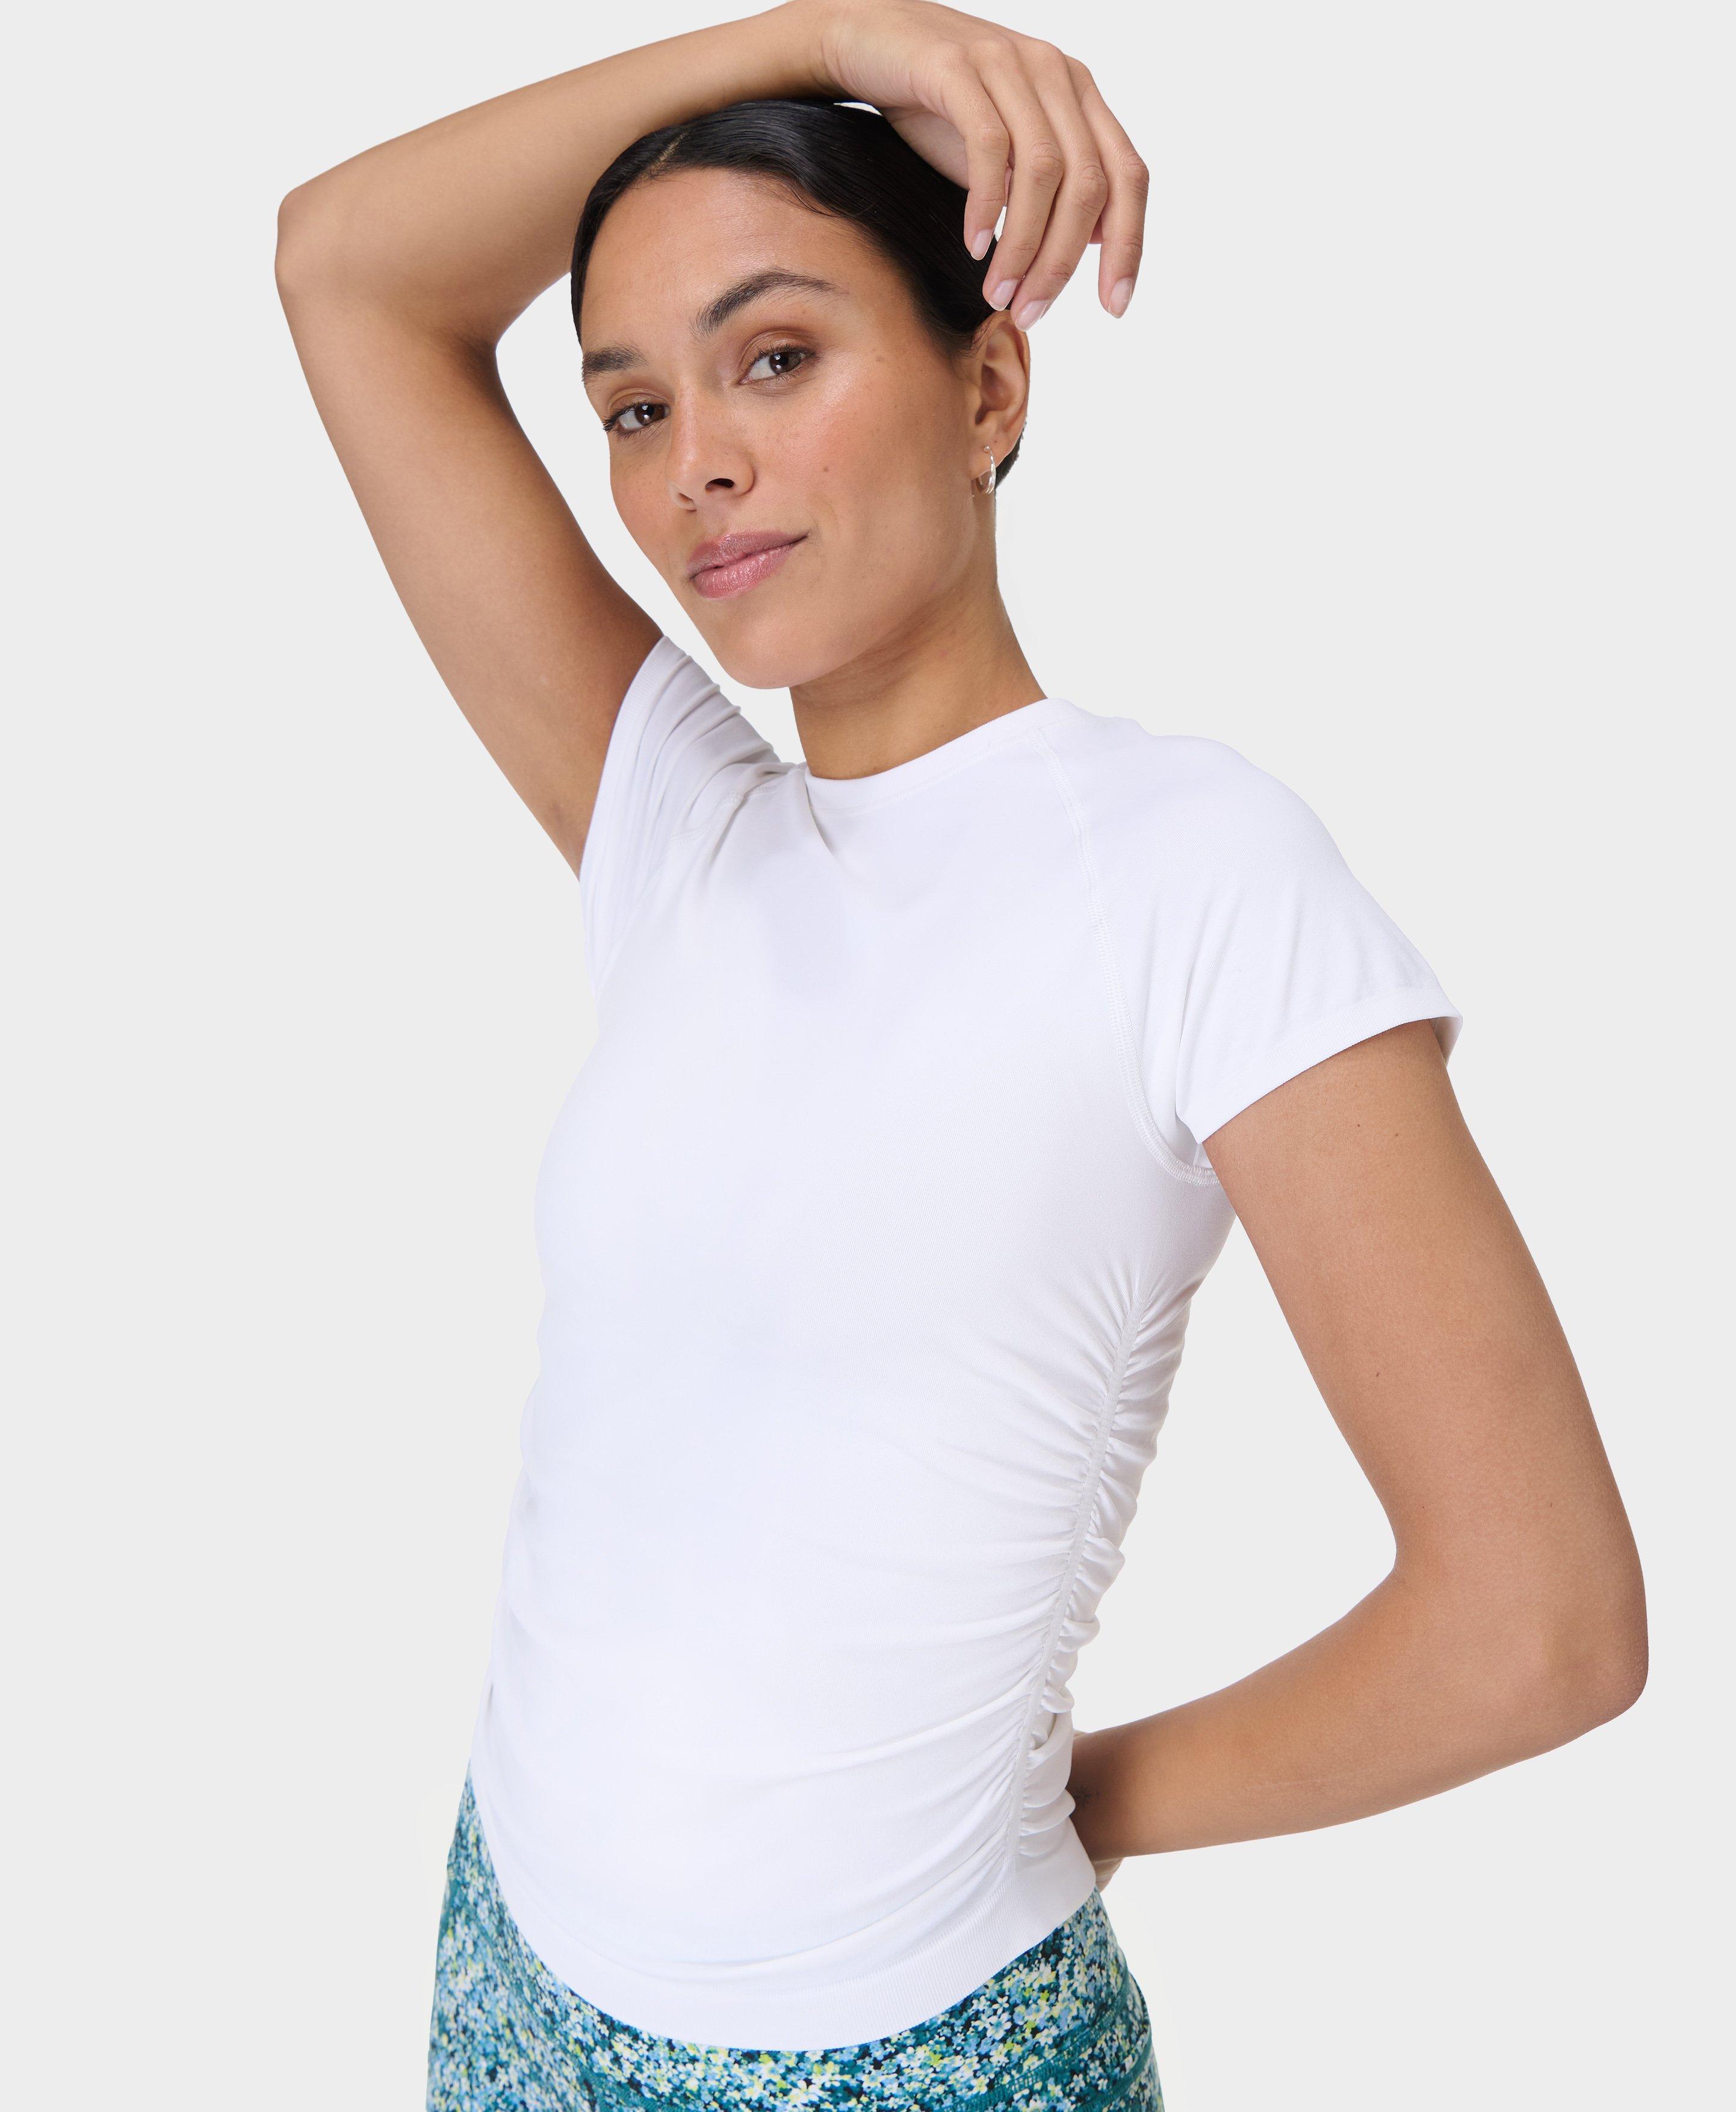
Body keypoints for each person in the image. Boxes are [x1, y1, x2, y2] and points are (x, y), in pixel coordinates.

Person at [275, 4, 1648, 2106]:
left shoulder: (1197, 874)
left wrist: (1075, 1798)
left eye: (774, 357)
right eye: (631, 403)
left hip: (928, 2045)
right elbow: (345, 266)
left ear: (988, 382)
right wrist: (828, 30)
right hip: (512, 1972)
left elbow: (1536, 1620)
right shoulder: (680, 824)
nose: (691, 461)